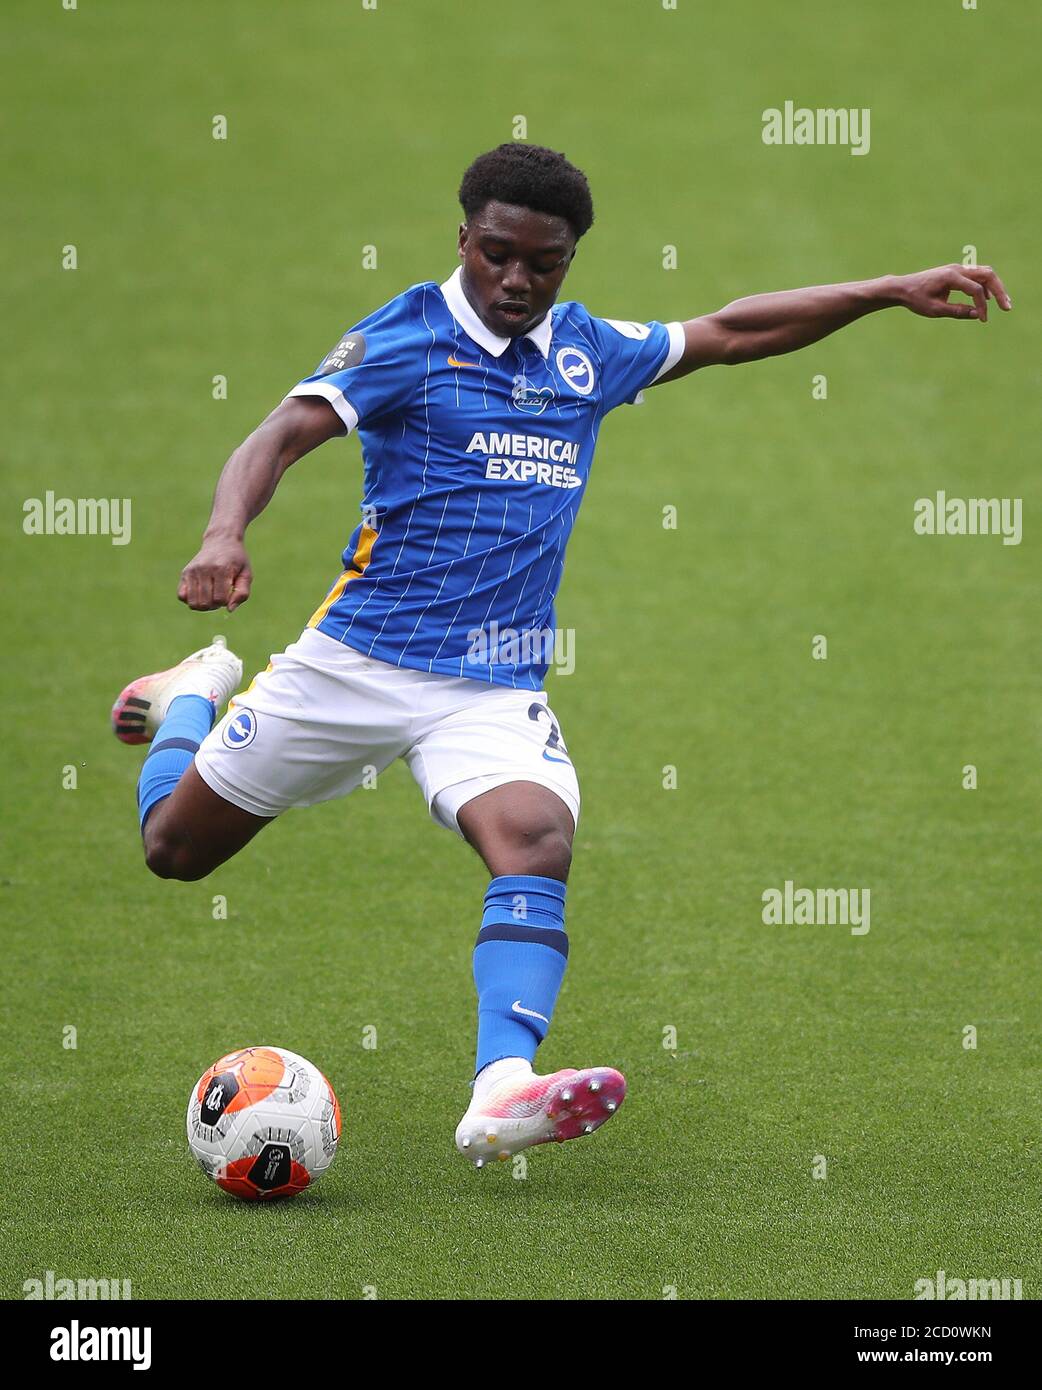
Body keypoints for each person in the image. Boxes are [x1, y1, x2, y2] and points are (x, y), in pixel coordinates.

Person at [112, 143, 1010, 1168]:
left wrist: (886, 291)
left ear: (569, 259)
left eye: (543, 264)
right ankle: (191, 697)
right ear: (462, 239)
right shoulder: (405, 337)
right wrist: (225, 533)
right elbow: (280, 432)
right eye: (496, 255)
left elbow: (729, 329)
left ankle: (500, 1088)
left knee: (535, 838)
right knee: (174, 853)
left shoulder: (585, 353)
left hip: (492, 679)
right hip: (353, 663)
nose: (515, 282)